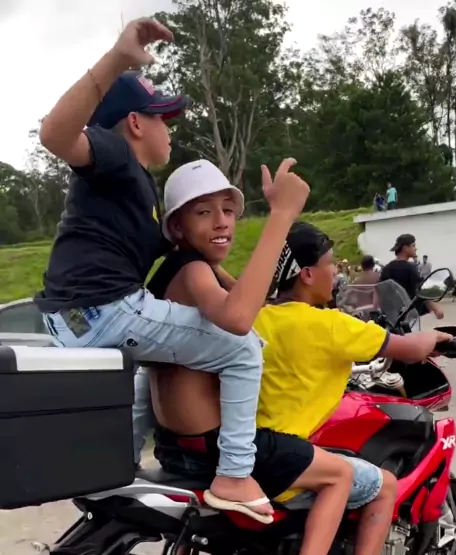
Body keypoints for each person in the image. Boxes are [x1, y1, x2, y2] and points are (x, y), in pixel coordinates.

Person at [148, 164, 451, 555]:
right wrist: (439, 337)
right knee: (372, 482)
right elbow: (409, 348)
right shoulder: (325, 324)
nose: (335, 274)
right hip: (245, 452)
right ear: (308, 273)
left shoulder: (256, 313)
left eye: (228, 210)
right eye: (330, 265)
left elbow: (239, 296)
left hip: (180, 445)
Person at [35, 17, 310, 524]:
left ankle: (114, 465)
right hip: (105, 307)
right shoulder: (116, 156)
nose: (169, 130)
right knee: (244, 349)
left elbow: (181, 248)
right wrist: (118, 58)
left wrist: (229, 278)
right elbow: (55, 134)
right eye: (163, 118)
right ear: (136, 123)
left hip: (67, 318)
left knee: (149, 358)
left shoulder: (132, 194)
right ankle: (234, 474)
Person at [381, 234, 444, 320]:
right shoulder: (410, 267)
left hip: (393, 317)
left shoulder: (387, 268)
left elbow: (380, 291)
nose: (415, 248)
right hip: (408, 315)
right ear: (405, 248)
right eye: (413, 245)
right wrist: (436, 308)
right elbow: (421, 290)